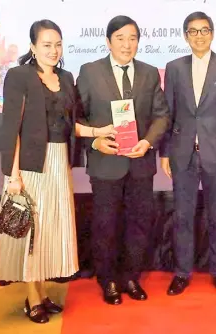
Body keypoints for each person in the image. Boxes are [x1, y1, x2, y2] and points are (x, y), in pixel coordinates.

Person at [0, 19, 116, 324]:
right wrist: (12, 175)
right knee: (31, 231)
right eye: (46, 45)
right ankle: (32, 298)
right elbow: (13, 128)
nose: (53, 50)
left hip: (59, 162)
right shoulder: (19, 76)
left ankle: (43, 291)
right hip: (30, 165)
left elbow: (68, 125)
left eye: (58, 44)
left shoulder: (66, 76)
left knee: (48, 229)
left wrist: (98, 131)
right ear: (33, 47)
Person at [76, 15, 170, 305]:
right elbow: (76, 117)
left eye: (132, 38)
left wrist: (148, 142)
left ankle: (131, 276)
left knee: (139, 223)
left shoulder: (149, 72)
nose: (127, 44)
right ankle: (108, 280)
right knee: (106, 224)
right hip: (106, 165)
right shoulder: (90, 72)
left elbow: (161, 115)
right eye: (120, 38)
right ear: (108, 42)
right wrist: (94, 141)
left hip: (140, 163)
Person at [159, 12, 216, 296]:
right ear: (185, 36)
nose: (199, 36)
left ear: (212, 33)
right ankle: (182, 272)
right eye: (193, 31)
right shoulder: (174, 68)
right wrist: (165, 153)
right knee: (182, 216)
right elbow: (167, 114)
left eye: (204, 30)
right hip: (182, 154)